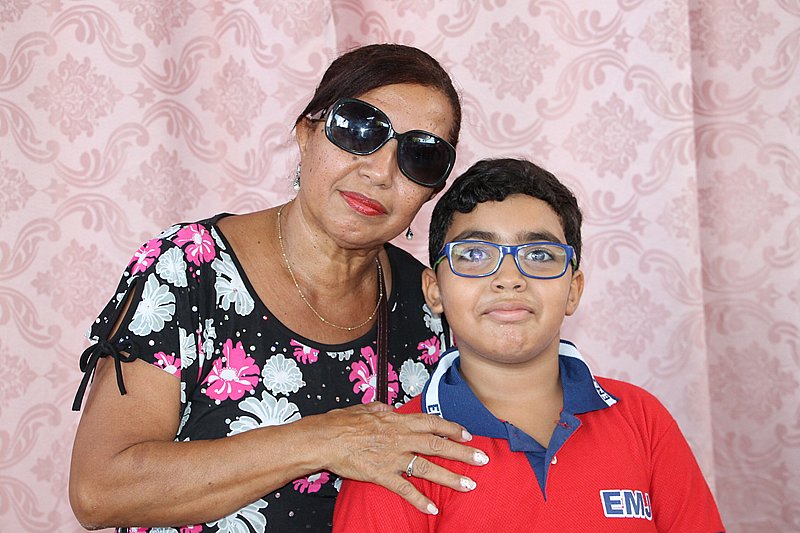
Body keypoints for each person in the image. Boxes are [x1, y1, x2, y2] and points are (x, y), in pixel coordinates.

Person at [68, 44, 491, 533]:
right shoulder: (189, 269)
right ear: (306, 133)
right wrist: (324, 440)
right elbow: (99, 491)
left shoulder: (432, 302)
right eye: (358, 130)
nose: (380, 171)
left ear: (433, 189)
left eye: (421, 155)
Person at [333, 158, 726, 531]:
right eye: (474, 253)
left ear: (573, 290)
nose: (509, 278)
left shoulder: (642, 420)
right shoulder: (396, 451)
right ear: (435, 290)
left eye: (539, 254)